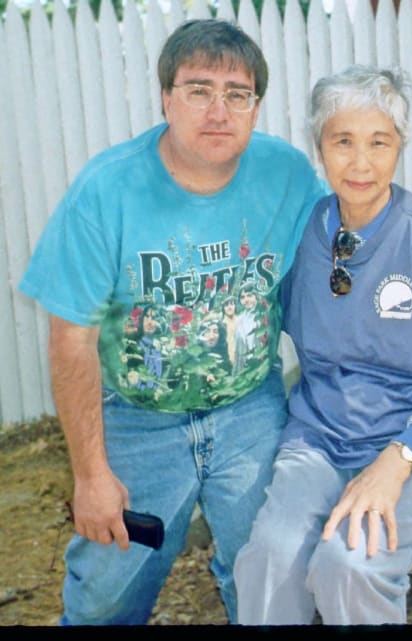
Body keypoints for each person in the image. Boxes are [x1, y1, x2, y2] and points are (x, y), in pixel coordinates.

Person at [17, 18, 324, 625]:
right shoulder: (108, 190)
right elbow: (70, 339)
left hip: (249, 412)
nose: (219, 111)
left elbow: (344, 252)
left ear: (256, 106)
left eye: (237, 94)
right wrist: (91, 473)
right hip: (137, 421)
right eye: (198, 89)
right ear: (166, 97)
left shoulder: (286, 177)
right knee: (108, 593)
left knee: (269, 582)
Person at [233, 65, 412, 625]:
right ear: (319, 147)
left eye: (378, 142)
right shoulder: (298, 231)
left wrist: (400, 458)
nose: (360, 162)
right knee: (269, 559)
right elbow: (251, 316)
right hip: (321, 439)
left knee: (349, 564)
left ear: (400, 145)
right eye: (343, 141)